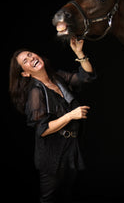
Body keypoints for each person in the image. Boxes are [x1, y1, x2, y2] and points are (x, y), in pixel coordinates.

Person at [9, 37, 96, 203]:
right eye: (25, 61)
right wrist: (71, 115)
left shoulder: (57, 77)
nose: (31, 59)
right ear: (26, 73)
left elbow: (86, 77)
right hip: (51, 155)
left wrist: (79, 53)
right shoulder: (35, 92)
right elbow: (43, 129)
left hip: (71, 148)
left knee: (67, 195)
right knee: (49, 199)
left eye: (30, 54)